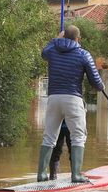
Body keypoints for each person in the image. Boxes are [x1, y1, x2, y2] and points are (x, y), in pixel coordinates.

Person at [37, 25, 104, 183]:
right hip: (73, 99)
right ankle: (76, 175)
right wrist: (102, 86)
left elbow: (43, 52)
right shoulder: (83, 54)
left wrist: (56, 39)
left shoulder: (52, 50)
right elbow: (96, 82)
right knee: (78, 137)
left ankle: (41, 174)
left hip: (53, 98)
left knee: (49, 137)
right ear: (78, 39)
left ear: (63, 36)